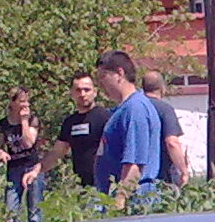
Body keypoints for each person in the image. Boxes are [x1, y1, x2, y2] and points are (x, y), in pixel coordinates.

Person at [91, 49, 162, 205]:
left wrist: (120, 200)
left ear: (119, 73)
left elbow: (135, 165)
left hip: (135, 201)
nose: (100, 84)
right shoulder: (122, 110)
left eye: (103, 76)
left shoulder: (135, 109)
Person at [36, 72, 108, 190]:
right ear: (72, 93)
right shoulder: (70, 122)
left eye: (87, 90)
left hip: (103, 185)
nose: (82, 94)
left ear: (95, 92)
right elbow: (57, 152)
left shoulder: (105, 118)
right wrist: (38, 169)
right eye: (78, 90)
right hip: (81, 187)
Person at [0, 87, 43, 222]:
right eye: (22, 101)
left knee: (35, 208)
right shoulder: (4, 124)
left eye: (27, 101)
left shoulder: (32, 120)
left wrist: (24, 121)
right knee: (11, 208)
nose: (26, 105)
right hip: (14, 168)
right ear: (13, 102)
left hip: (32, 166)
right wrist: (1, 152)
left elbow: (28, 143)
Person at [140, 70, 189, 186]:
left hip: (134, 175)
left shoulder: (134, 108)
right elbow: (172, 142)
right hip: (160, 177)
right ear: (162, 88)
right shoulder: (165, 109)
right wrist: (184, 171)